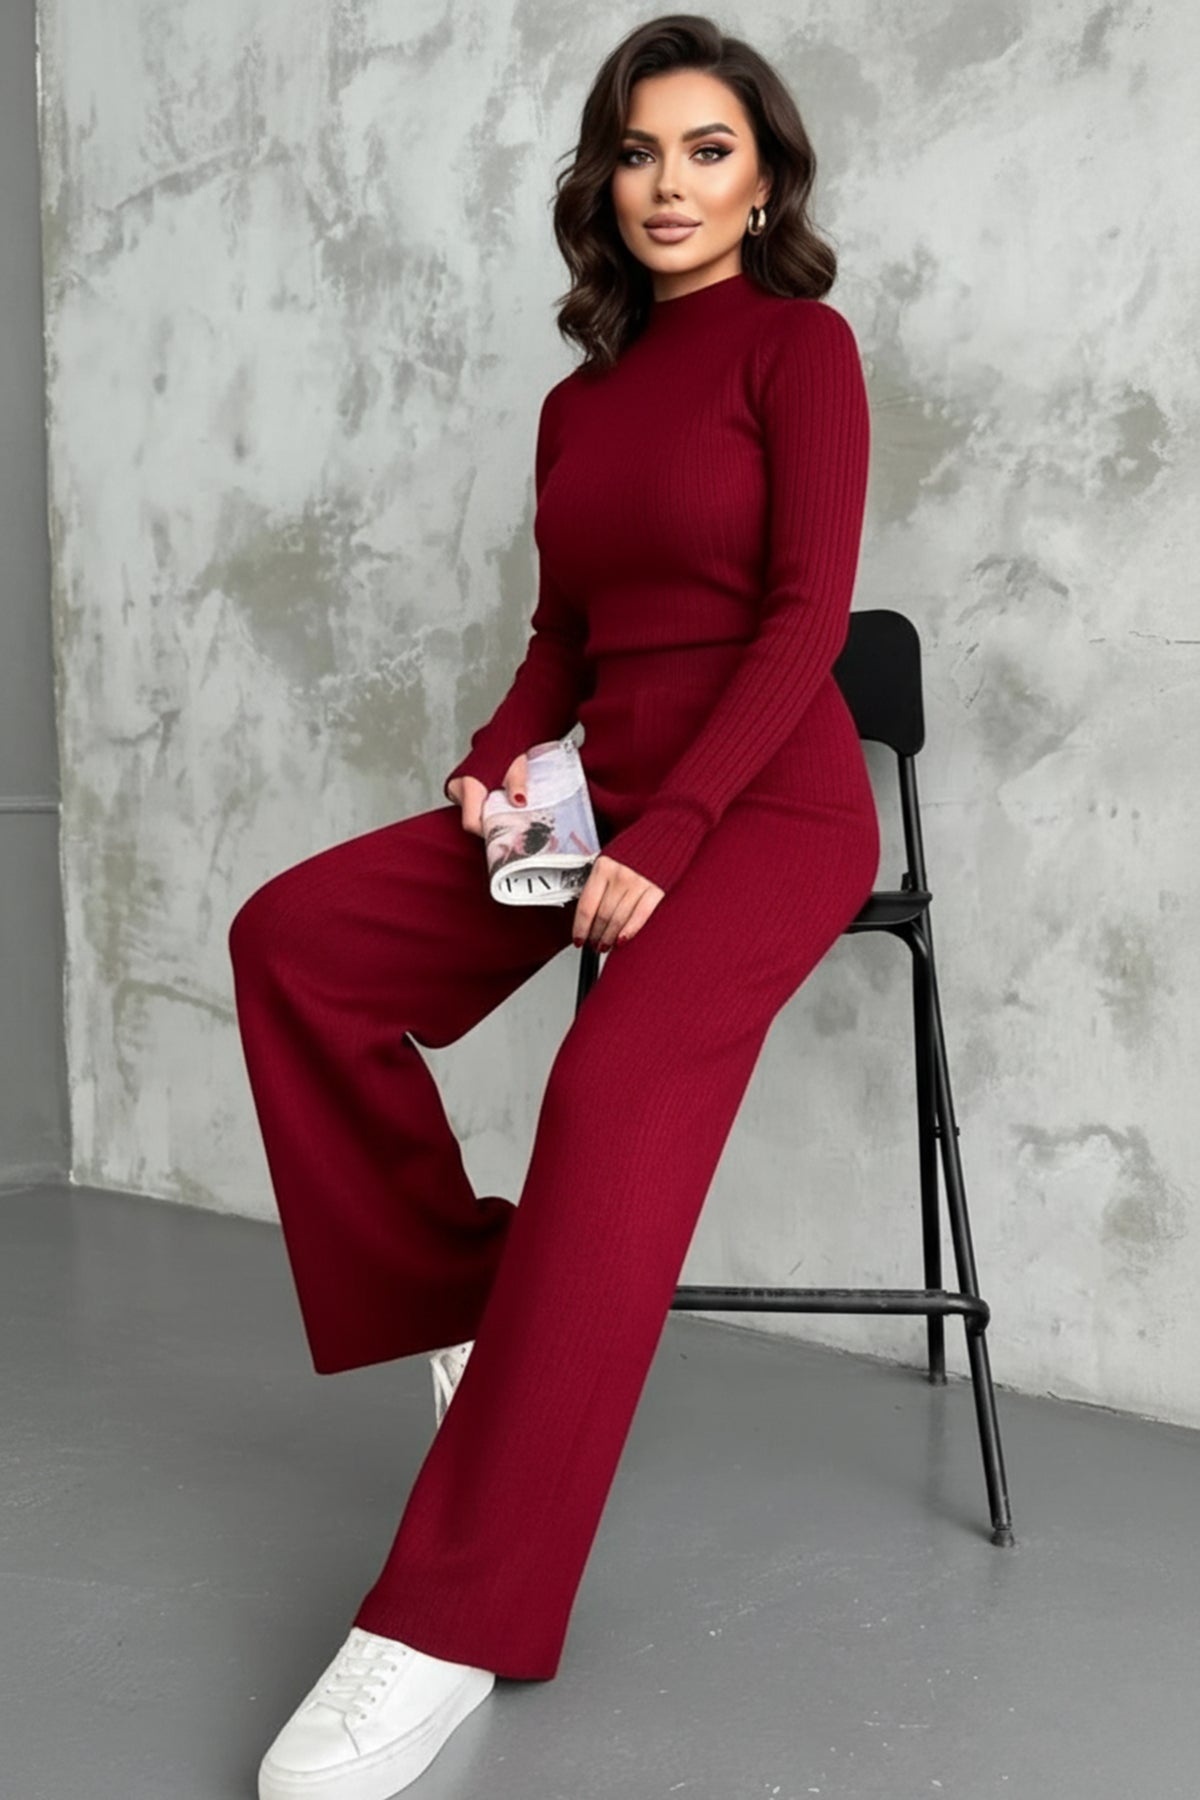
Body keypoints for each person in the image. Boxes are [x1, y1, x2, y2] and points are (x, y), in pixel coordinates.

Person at [229, 14, 880, 1798]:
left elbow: (807, 619)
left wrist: (673, 832)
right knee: (294, 943)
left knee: (606, 1096)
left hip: (769, 805)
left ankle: (449, 1624)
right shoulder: (578, 404)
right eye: (639, 150)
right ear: (603, 179)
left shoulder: (801, 350)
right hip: (603, 795)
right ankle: (473, 1290)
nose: (669, 183)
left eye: (708, 151)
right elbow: (564, 642)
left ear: (764, 184)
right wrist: (492, 763)